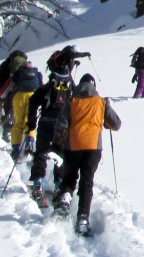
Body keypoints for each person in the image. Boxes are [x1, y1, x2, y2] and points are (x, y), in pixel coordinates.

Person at [51, 74, 122, 236]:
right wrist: (106, 108)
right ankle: (82, 218)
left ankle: (64, 200)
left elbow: (61, 125)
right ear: (94, 86)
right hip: (93, 148)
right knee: (87, 181)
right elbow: (115, 125)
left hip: (73, 146)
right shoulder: (101, 102)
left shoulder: (72, 101)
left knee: (69, 177)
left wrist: (57, 143)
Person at [25, 70, 73, 207]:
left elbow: (33, 101)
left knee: (41, 152)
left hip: (45, 123)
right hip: (63, 127)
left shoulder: (46, 88)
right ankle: (59, 185)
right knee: (61, 155)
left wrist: (31, 123)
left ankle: (38, 183)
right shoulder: (69, 90)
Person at [0, 50, 27, 142]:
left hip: (0, 90)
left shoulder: (4, 64)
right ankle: (7, 132)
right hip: (15, 92)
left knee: (1, 106)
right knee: (10, 111)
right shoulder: (22, 66)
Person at [8, 61, 43, 159]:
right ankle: (30, 142)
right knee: (30, 120)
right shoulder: (37, 73)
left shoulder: (18, 73)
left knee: (18, 122)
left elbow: (11, 85)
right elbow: (41, 86)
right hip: (33, 96)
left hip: (19, 96)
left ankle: (16, 148)